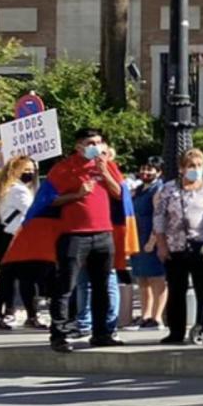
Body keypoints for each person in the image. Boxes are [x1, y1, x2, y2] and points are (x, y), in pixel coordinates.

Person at [46, 127, 125, 353]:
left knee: (102, 287)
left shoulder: (106, 165)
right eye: (91, 142)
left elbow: (119, 193)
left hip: (103, 234)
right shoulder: (63, 168)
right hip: (74, 235)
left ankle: (102, 333)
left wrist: (105, 172)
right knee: (66, 286)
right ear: (79, 146)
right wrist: (77, 195)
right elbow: (49, 200)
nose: (96, 146)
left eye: (99, 142)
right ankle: (59, 335)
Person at [151, 148, 203, 345]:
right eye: (191, 166)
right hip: (176, 246)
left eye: (199, 166)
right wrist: (160, 244)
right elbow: (159, 217)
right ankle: (175, 332)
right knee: (177, 290)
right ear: (182, 168)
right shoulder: (169, 189)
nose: (195, 169)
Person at [0, 157, 42, 329]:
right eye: (27, 170)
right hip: (16, 238)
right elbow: (34, 211)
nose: (30, 174)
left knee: (7, 277)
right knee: (26, 279)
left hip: (4, 238)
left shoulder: (4, 188)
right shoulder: (19, 191)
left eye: (32, 170)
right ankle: (31, 315)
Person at [128, 158, 167, 330]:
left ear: (158, 172)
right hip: (137, 237)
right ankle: (145, 315)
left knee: (157, 278)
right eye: (143, 168)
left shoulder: (158, 190)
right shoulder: (138, 190)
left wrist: (153, 241)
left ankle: (157, 317)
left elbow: (159, 216)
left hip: (151, 238)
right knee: (142, 279)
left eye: (150, 169)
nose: (145, 172)